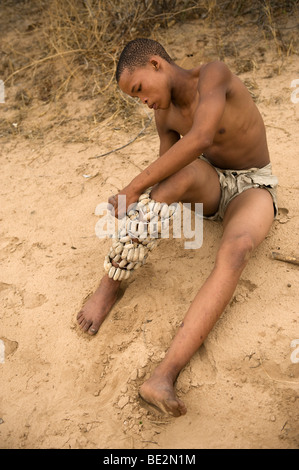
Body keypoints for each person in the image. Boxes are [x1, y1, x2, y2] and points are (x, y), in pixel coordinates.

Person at [77, 38, 278, 417]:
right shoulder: (164, 117)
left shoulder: (213, 74)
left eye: (139, 90)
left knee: (235, 251)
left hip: (251, 186)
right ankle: (109, 286)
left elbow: (201, 136)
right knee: (172, 180)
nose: (144, 102)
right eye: (135, 99)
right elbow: (167, 173)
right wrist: (145, 206)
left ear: (157, 64)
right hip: (210, 184)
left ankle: (163, 377)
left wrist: (132, 188)